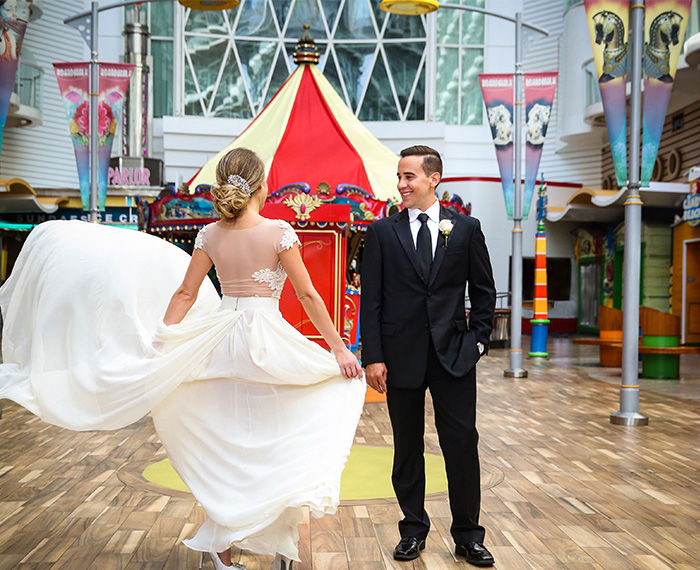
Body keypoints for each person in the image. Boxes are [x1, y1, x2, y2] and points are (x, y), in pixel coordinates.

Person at [0, 147, 365, 570]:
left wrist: (161, 344)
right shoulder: (279, 232)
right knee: (275, 442)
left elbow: (185, 294)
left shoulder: (210, 235)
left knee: (224, 447)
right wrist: (338, 348)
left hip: (218, 341)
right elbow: (306, 294)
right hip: (267, 342)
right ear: (261, 186)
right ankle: (278, 544)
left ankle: (223, 551)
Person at [360, 145, 496, 567]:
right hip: (400, 358)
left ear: (433, 179)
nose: (401, 185)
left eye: (409, 177)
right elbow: (372, 299)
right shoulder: (383, 233)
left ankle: (468, 536)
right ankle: (413, 530)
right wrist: (373, 356)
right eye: (399, 177)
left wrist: (477, 341)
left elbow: (485, 291)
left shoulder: (467, 229)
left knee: (462, 444)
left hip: (455, 355)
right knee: (406, 447)